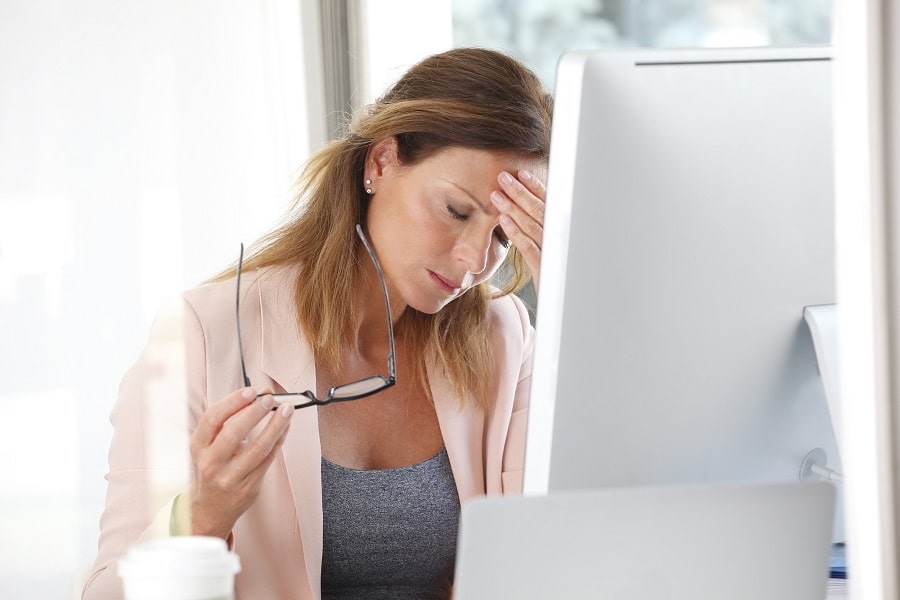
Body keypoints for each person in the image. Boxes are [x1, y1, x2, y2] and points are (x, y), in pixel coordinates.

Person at [82, 47, 551, 600]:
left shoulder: (503, 337)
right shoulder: (202, 335)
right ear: (380, 163)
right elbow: (106, 594)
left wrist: (570, 300)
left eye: (503, 237)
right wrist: (205, 515)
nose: (475, 260)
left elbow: (553, 556)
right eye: (455, 211)